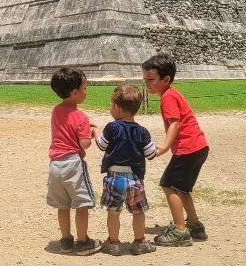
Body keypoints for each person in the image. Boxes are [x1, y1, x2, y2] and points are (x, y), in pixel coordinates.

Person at [142, 53, 209, 247]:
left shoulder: (167, 97)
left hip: (187, 148)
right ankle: (195, 225)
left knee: (168, 184)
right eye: (145, 79)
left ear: (166, 79)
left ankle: (180, 230)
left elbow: (175, 124)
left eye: (151, 79)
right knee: (182, 189)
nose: (147, 83)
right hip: (199, 147)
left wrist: (163, 147)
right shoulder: (173, 92)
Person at [92, 84, 157, 256]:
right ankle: (140, 242)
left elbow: (101, 145)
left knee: (114, 212)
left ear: (117, 108)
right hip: (135, 180)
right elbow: (151, 153)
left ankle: (113, 243)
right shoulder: (142, 132)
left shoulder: (112, 127)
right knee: (138, 212)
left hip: (114, 178)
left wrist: (95, 131)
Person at [46, 67, 102, 255]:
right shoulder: (81, 117)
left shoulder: (56, 110)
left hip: (55, 165)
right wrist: (91, 132)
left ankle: (66, 241)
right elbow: (84, 144)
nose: (86, 92)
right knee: (81, 204)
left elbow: (64, 130)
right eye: (84, 88)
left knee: (62, 205)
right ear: (75, 92)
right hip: (73, 164)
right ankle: (83, 242)